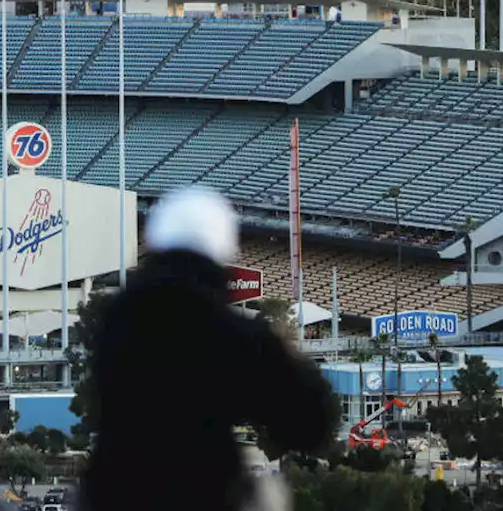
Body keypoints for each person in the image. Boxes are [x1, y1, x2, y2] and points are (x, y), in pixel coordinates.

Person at [82, 188, 336, 511]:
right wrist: (283, 354)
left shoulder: (112, 319)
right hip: (204, 494)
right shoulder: (229, 331)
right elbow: (312, 425)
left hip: (111, 495)